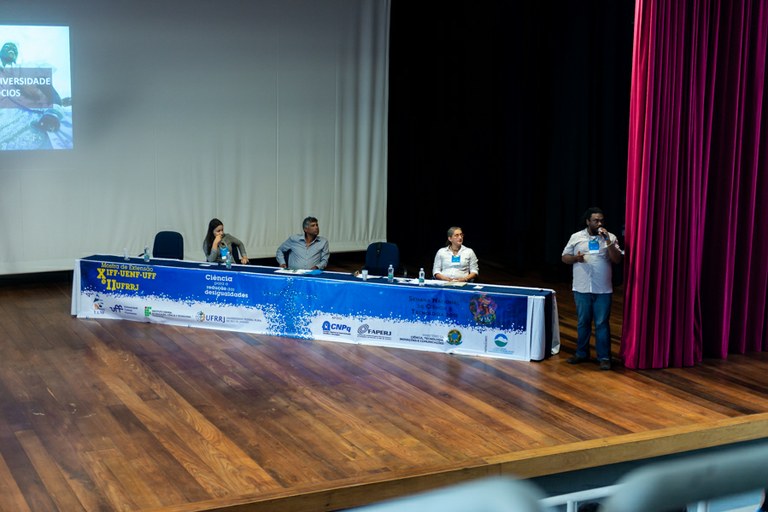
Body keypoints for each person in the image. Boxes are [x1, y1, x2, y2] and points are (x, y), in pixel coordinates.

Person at [561, 207, 623, 370]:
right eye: (595, 220)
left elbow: (617, 259)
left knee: (602, 323)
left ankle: (604, 357)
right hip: (582, 288)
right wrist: (575, 258)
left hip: (603, 290)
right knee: (583, 322)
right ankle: (581, 354)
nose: (599, 223)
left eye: (601, 220)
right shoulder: (576, 237)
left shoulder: (610, 237)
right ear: (588, 221)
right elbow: (564, 257)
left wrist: (608, 240)